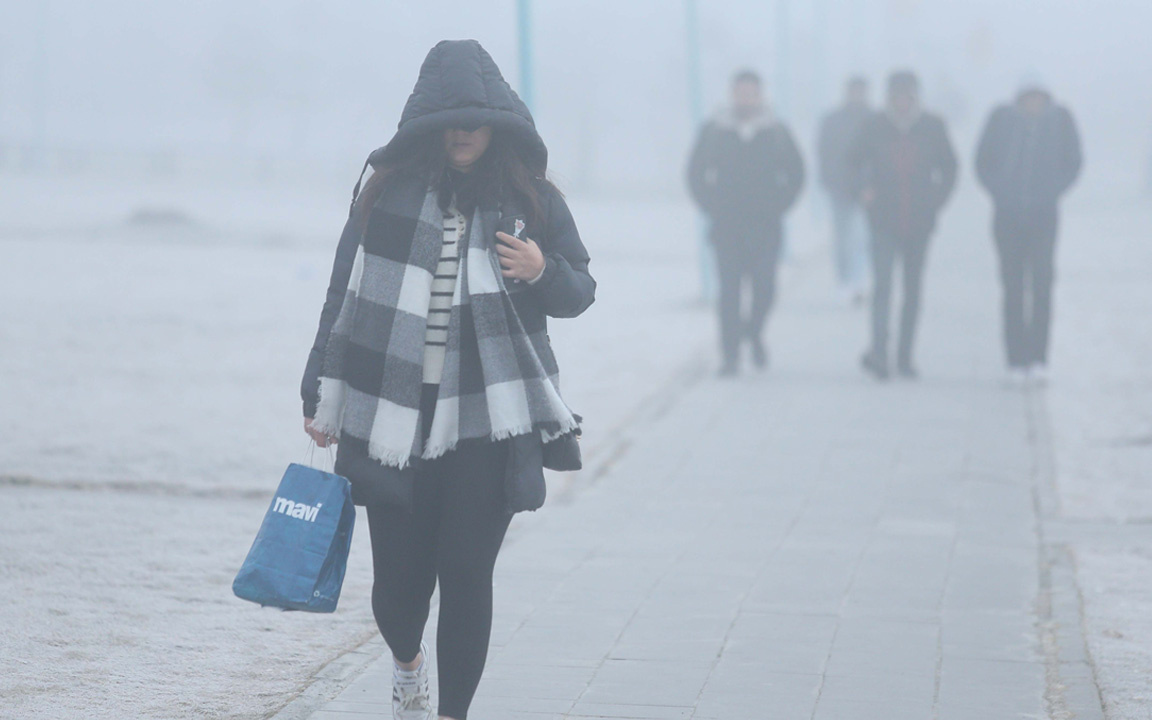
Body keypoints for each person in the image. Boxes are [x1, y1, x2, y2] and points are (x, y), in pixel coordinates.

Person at [300, 40, 595, 720]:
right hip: (388, 413)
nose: (461, 132)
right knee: (396, 596)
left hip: (485, 423)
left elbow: (580, 290)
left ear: (498, 125)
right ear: (427, 126)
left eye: (474, 119)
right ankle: (407, 665)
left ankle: (452, 714)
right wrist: (318, 387)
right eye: (448, 120)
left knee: (467, 577)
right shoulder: (386, 194)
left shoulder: (531, 203)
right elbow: (340, 292)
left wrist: (541, 270)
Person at [687, 69, 805, 376]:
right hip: (726, 227)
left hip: (766, 227)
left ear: (760, 95)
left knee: (765, 290)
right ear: (732, 93)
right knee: (729, 294)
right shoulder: (715, 130)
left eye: (751, 93)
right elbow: (695, 172)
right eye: (740, 92)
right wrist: (710, 205)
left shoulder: (776, 130)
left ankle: (753, 332)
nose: (745, 98)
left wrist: (780, 205)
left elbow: (797, 173)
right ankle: (730, 355)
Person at [851, 71, 957, 380]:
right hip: (882, 220)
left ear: (915, 97)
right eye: (896, 95)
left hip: (920, 222)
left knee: (913, 291)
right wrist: (862, 189)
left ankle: (905, 356)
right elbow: (852, 161)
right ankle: (879, 353)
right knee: (882, 287)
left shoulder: (932, 126)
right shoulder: (874, 126)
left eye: (907, 96)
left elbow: (949, 166)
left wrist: (935, 199)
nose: (901, 102)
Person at [975, 78, 1082, 384]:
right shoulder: (1001, 122)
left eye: (1038, 98)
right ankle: (1014, 359)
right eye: (1028, 98)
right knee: (1012, 286)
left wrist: (1052, 191)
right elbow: (982, 162)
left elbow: (1074, 162)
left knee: (1042, 284)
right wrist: (1000, 191)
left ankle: (1038, 357)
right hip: (1006, 217)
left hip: (1044, 216)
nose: (1033, 104)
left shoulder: (1059, 123)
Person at [818, 76, 872, 305]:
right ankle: (844, 281)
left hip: (868, 190)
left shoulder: (874, 121)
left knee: (862, 237)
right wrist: (829, 180)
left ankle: (858, 282)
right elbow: (823, 152)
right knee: (842, 238)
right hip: (840, 188)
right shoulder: (832, 120)